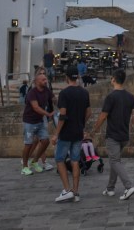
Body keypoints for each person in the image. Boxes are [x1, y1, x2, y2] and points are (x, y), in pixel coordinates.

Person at [93, 68, 134, 200]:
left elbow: (103, 116)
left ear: (113, 79)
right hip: (124, 136)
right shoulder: (130, 97)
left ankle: (128, 186)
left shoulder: (111, 97)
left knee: (115, 161)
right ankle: (110, 188)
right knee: (114, 161)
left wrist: (93, 131)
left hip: (113, 136)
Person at [50, 65, 89, 203]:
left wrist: (56, 134)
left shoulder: (64, 93)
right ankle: (76, 192)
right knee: (75, 161)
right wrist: (82, 124)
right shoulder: (84, 93)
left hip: (66, 132)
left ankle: (67, 190)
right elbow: (89, 112)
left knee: (59, 159)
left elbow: (63, 115)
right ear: (77, 76)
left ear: (66, 78)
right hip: (78, 131)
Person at [21, 72, 56, 175]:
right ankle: (24, 167)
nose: (45, 81)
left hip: (39, 121)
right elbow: (36, 107)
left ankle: (35, 161)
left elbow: (54, 99)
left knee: (45, 141)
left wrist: (62, 104)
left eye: (46, 79)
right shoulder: (32, 93)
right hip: (29, 121)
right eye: (43, 80)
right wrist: (48, 114)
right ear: (37, 82)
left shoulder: (47, 90)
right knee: (28, 144)